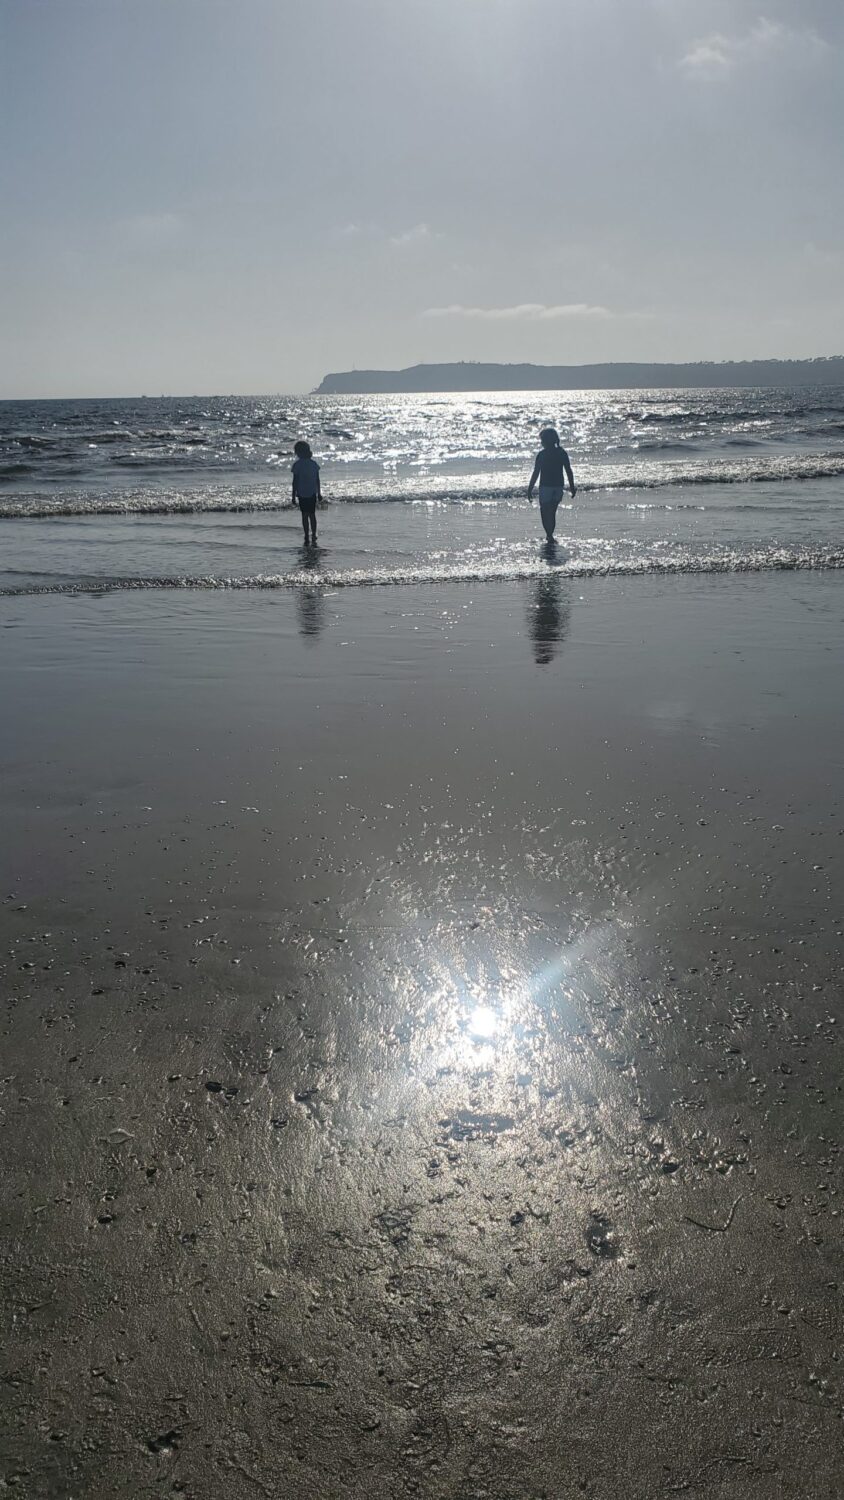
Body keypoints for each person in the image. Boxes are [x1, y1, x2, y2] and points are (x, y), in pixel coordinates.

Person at [527, 427, 576, 543]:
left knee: (545, 512)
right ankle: (550, 535)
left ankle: (549, 535)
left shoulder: (542, 455)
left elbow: (536, 473)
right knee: (552, 512)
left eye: (542, 440)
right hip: (558, 487)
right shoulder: (562, 453)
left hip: (545, 487)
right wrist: (572, 487)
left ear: (546, 441)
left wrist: (530, 489)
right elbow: (569, 471)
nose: (541, 442)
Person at [291, 440, 322, 545]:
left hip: (301, 493)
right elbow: (317, 480)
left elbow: (294, 482)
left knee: (304, 515)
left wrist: (293, 496)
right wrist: (319, 493)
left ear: (298, 453)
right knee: (312, 514)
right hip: (312, 492)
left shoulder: (297, 465)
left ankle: (306, 534)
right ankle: (314, 534)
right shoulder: (313, 464)